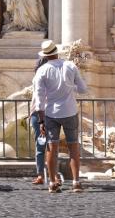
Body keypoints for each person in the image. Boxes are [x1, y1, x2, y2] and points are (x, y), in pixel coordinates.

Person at [33, 39, 87, 193]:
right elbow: (83, 89)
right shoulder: (70, 66)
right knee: (73, 146)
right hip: (70, 111)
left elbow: (39, 99)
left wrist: (41, 121)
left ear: (45, 55)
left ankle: (52, 183)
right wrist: (71, 87)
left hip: (51, 113)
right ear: (56, 52)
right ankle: (76, 182)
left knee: (52, 147)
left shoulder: (42, 71)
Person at [29, 54, 49, 185]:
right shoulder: (49, 77)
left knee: (40, 145)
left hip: (37, 113)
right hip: (49, 113)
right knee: (52, 145)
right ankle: (52, 175)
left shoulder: (36, 78)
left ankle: (41, 175)